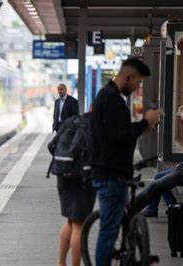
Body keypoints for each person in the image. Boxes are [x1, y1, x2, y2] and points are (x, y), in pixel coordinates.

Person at [91, 57, 161, 266]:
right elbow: (118, 136)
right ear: (128, 77)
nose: (138, 86)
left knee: (112, 226)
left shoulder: (109, 96)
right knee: (108, 233)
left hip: (113, 173)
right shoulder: (111, 99)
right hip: (111, 176)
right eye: (138, 82)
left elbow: (119, 134)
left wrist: (142, 126)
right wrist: (145, 123)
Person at [51, 110, 96, 266]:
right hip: (81, 178)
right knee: (79, 224)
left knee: (71, 221)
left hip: (62, 174)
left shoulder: (72, 121)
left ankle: (61, 262)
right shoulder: (96, 126)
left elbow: (52, 146)